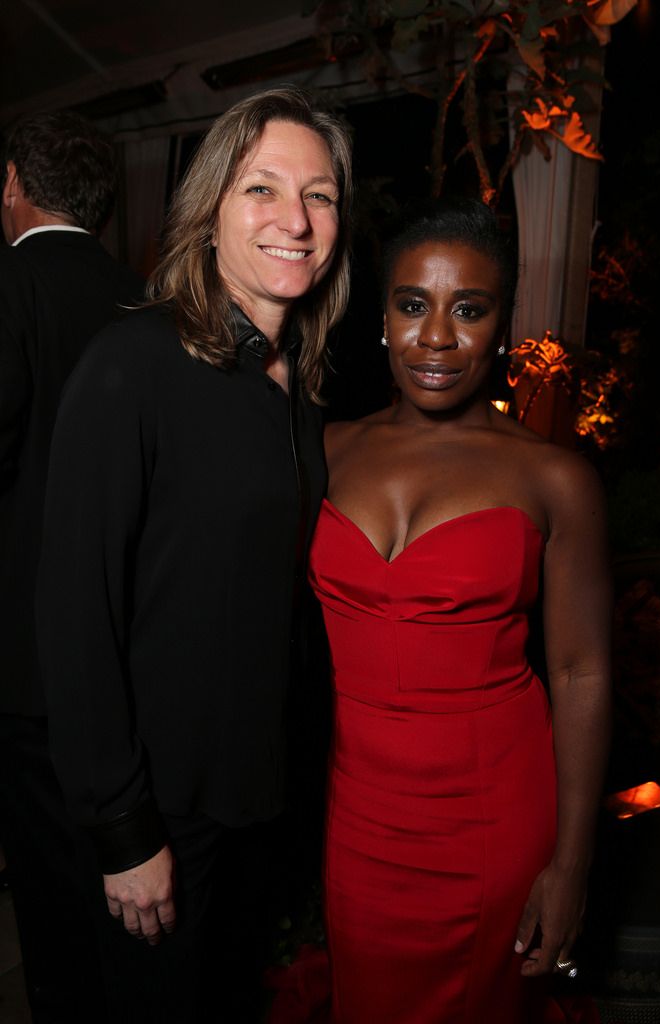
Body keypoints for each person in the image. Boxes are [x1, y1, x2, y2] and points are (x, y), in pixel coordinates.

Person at [36, 87, 352, 1023]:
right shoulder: (132, 363)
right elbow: (73, 611)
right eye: (262, 188)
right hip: (164, 813)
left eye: (322, 195)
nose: (294, 219)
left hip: (265, 798)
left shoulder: (305, 391)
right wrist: (124, 830)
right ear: (209, 209)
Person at [308, 199, 611, 1023]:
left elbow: (581, 671)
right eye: (412, 305)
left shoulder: (554, 478)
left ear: (500, 327)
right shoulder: (323, 449)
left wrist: (572, 864)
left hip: (492, 817)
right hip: (356, 815)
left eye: (467, 310)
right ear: (380, 319)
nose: (435, 338)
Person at [0, 110, 143, 1022]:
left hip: (24, 657)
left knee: (53, 899)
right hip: (128, 647)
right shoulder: (144, 298)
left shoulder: (12, 284)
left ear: (12, 182)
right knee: (120, 889)